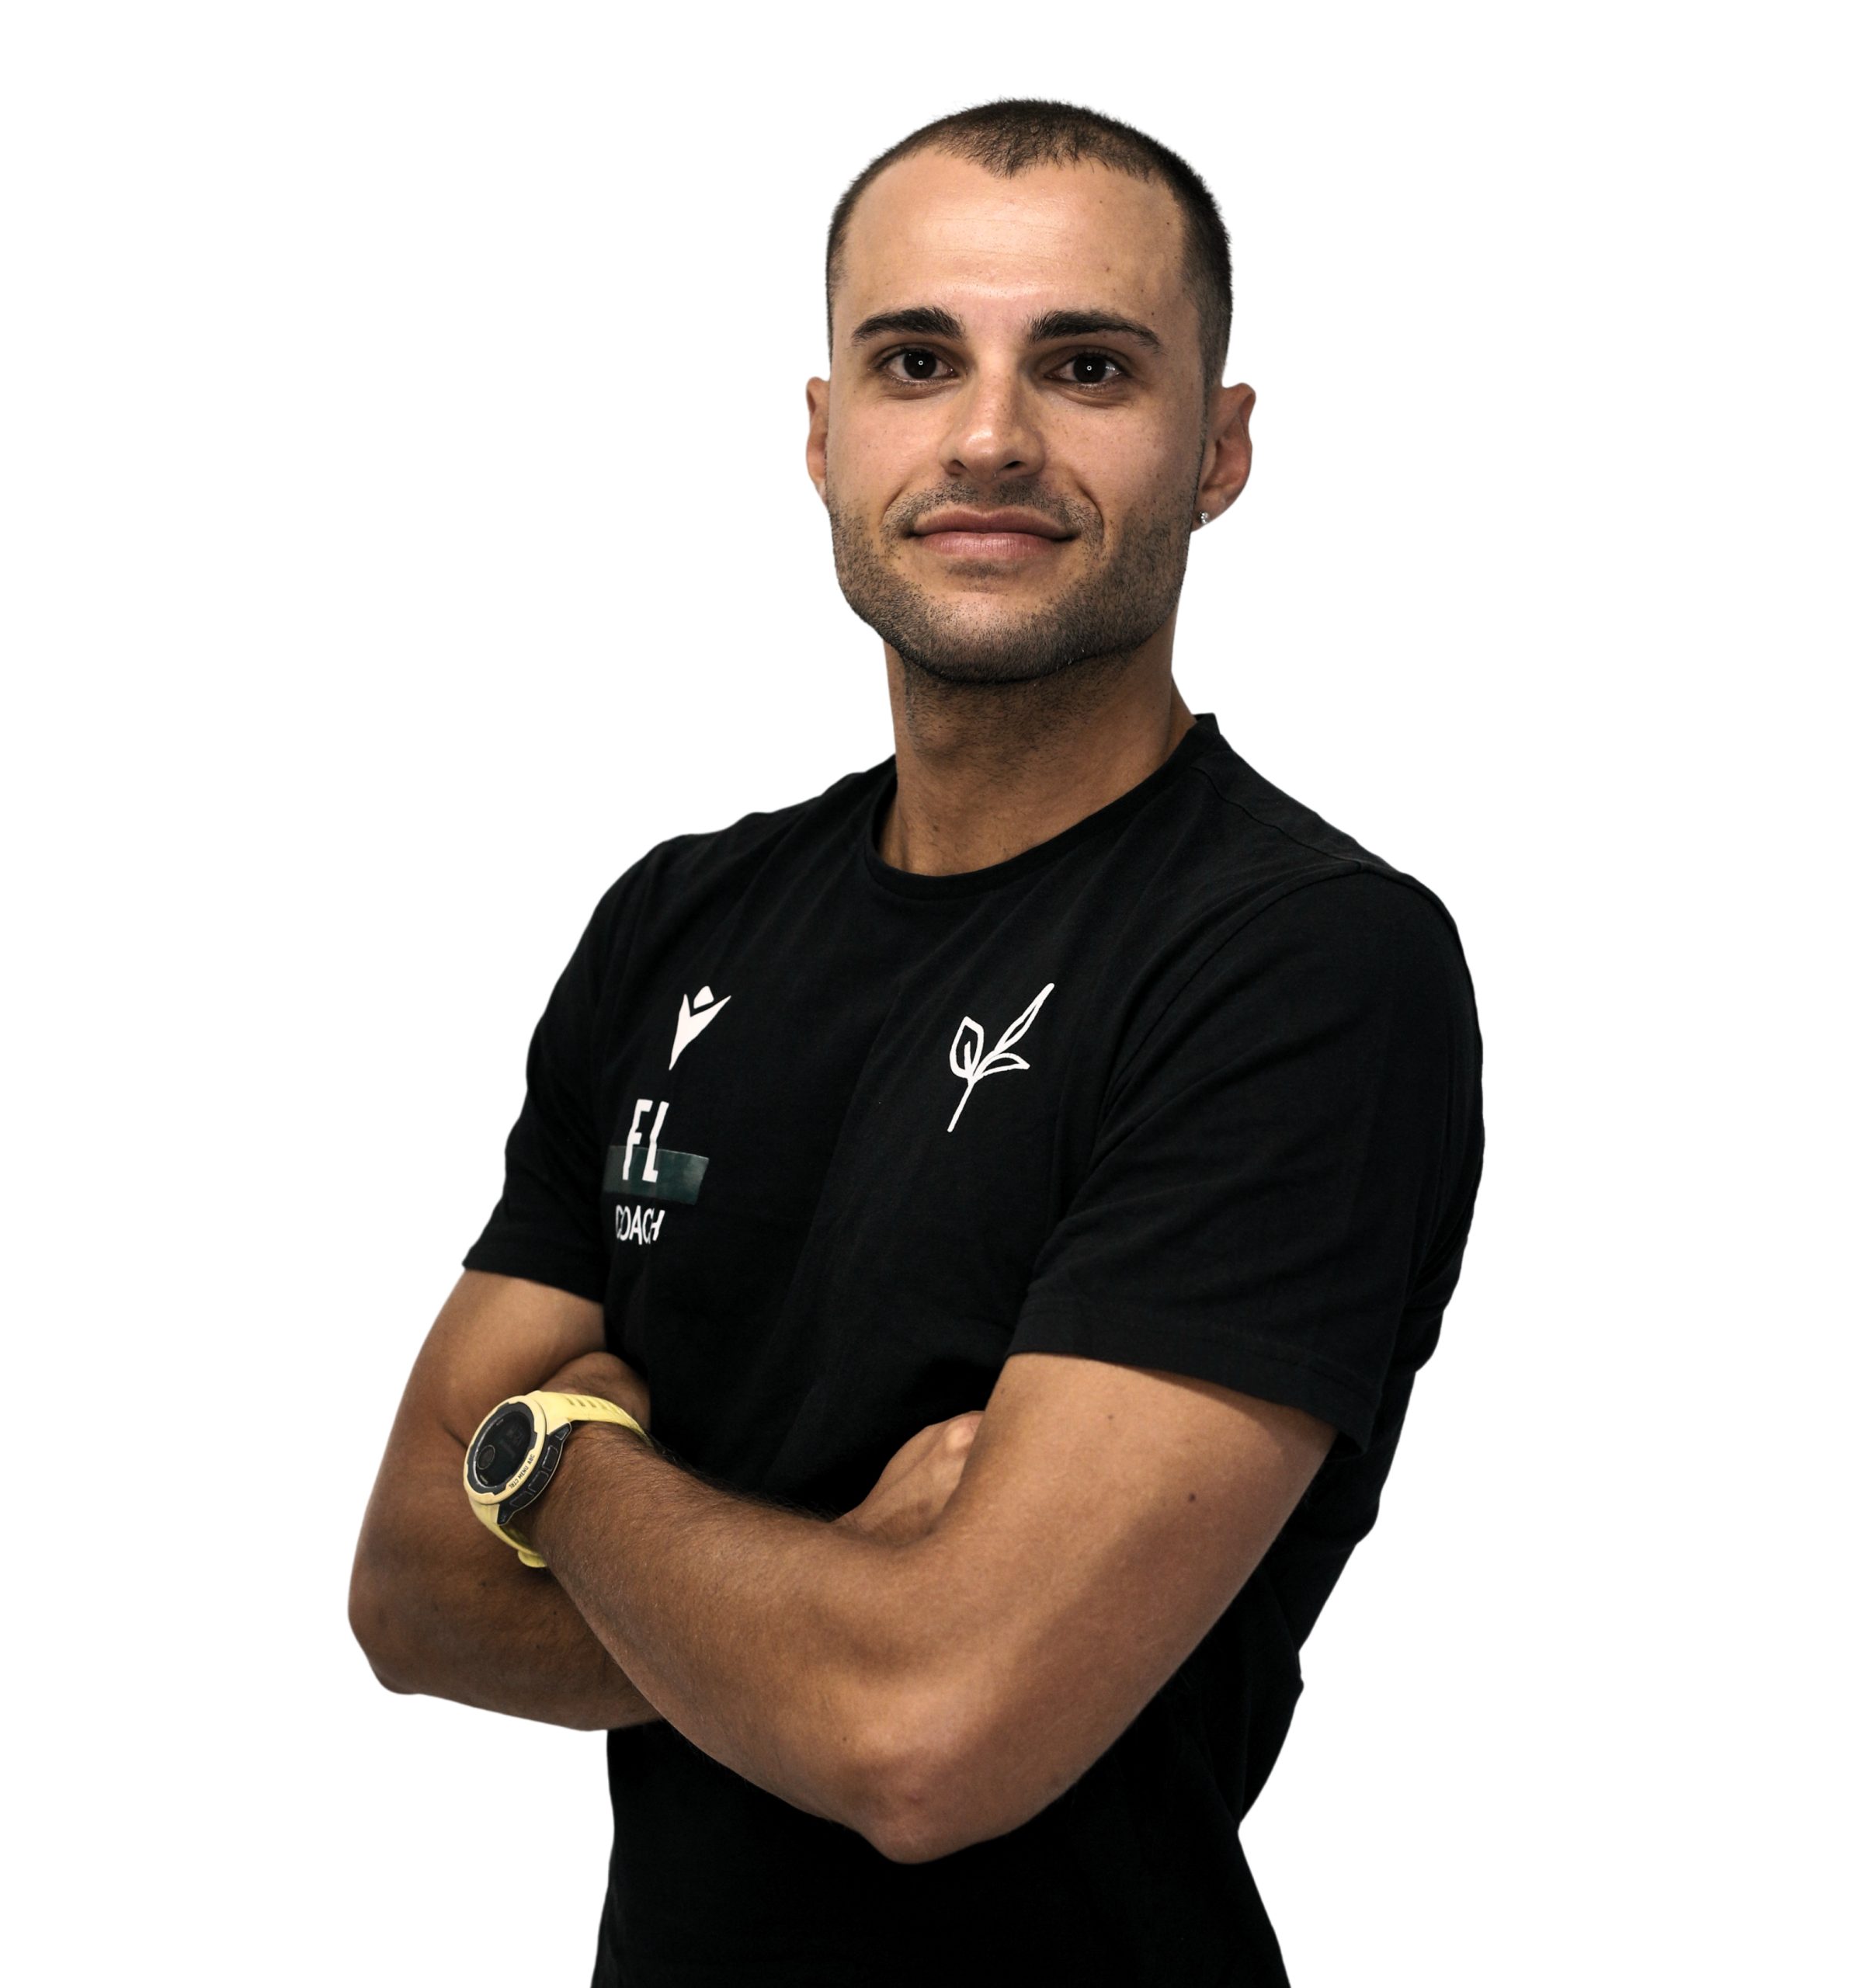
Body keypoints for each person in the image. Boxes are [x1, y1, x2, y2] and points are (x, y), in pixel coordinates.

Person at [350, 98, 1484, 1988]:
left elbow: (925, 1731)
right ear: (823, 436)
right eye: (914, 360)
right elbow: (408, 1594)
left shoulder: (1300, 964)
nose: (987, 437)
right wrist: (836, 1580)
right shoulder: (679, 920)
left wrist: (552, 1455)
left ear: (1216, 450)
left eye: (1087, 366)